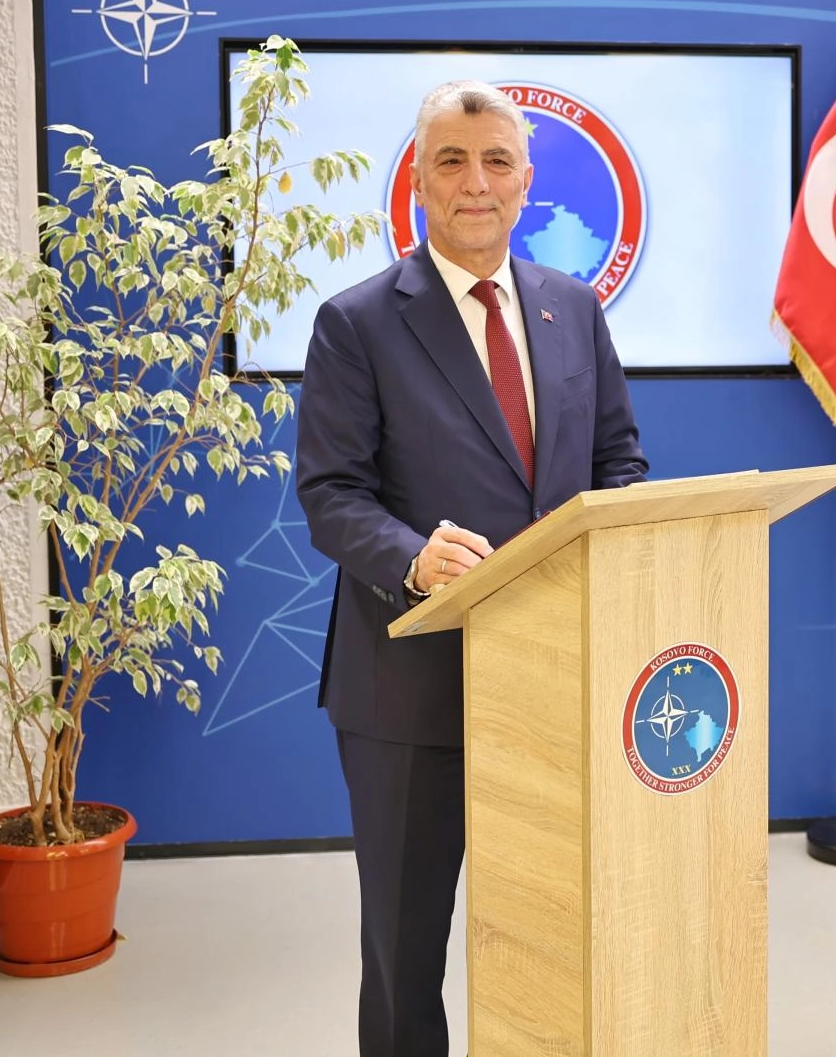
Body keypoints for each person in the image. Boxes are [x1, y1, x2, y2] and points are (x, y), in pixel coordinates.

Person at [296, 79, 646, 1056]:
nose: (476, 182)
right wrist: (411, 558)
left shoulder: (572, 307)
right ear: (418, 180)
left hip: (556, 681)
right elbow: (331, 492)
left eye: (497, 161)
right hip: (410, 692)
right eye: (452, 160)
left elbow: (618, 459)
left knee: (549, 933)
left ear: (527, 182)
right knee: (405, 954)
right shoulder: (357, 322)